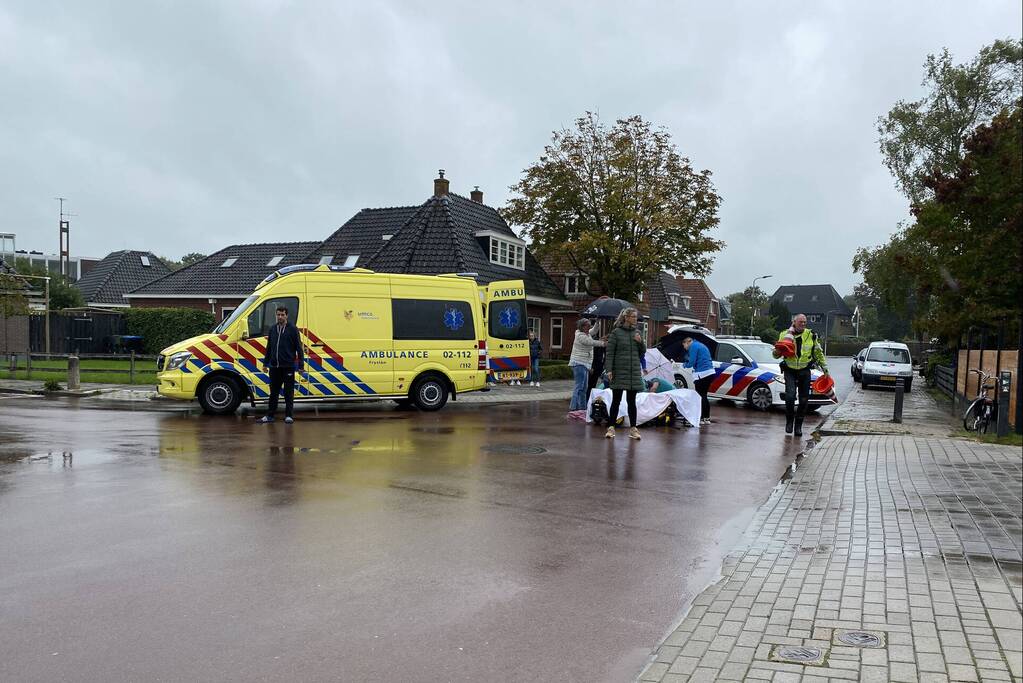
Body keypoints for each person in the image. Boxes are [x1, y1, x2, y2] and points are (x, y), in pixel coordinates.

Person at [772, 313, 828, 437]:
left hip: (804, 370)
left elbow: (818, 353)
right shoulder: (784, 334)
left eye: (804, 322)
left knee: (804, 400)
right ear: (794, 322)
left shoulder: (811, 335)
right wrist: (777, 351)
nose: (803, 324)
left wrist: (825, 368)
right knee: (790, 396)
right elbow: (776, 355)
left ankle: (798, 426)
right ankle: (789, 422)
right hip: (790, 370)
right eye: (800, 322)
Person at [604, 307, 646, 440]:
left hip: (633, 372)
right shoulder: (616, 333)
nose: (635, 319)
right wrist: (609, 370)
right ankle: (611, 427)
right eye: (633, 316)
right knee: (616, 401)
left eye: (635, 316)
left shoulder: (637, 332)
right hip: (619, 371)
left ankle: (633, 429)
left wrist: (640, 343)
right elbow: (609, 353)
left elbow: (642, 352)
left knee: (631, 402)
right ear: (626, 317)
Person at [259, 305, 304, 424]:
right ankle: (270, 416)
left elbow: (299, 348)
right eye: (278, 314)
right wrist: (265, 364)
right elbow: (269, 348)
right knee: (273, 393)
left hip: (288, 366)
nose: (280, 317)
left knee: (288, 393)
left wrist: (301, 366)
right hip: (274, 367)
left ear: (286, 315)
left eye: (282, 314)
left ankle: (289, 415)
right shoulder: (273, 329)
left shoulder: (293, 329)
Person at [568, 318, 606, 411]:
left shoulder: (586, 333)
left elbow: (594, 331)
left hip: (584, 364)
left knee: (584, 388)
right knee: (579, 387)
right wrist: (604, 343)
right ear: (583, 326)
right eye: (588, 325)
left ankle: (582, 408)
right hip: (579, 363)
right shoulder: (580, 336)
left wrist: (597, 322)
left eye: (590, 325)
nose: (590, 327)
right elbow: (591, 342)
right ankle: (573, 408)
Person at [682, 336, 714, 425]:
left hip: (702, 373)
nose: (684, 348)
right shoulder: (700, 345)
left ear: (687, 342)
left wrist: (685, 365)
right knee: (704, 395)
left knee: (700, 396)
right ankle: (706, 418)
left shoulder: (693, 347)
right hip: (710, 372)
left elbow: (692, 362)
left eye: (684, 345)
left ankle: (700, 418)